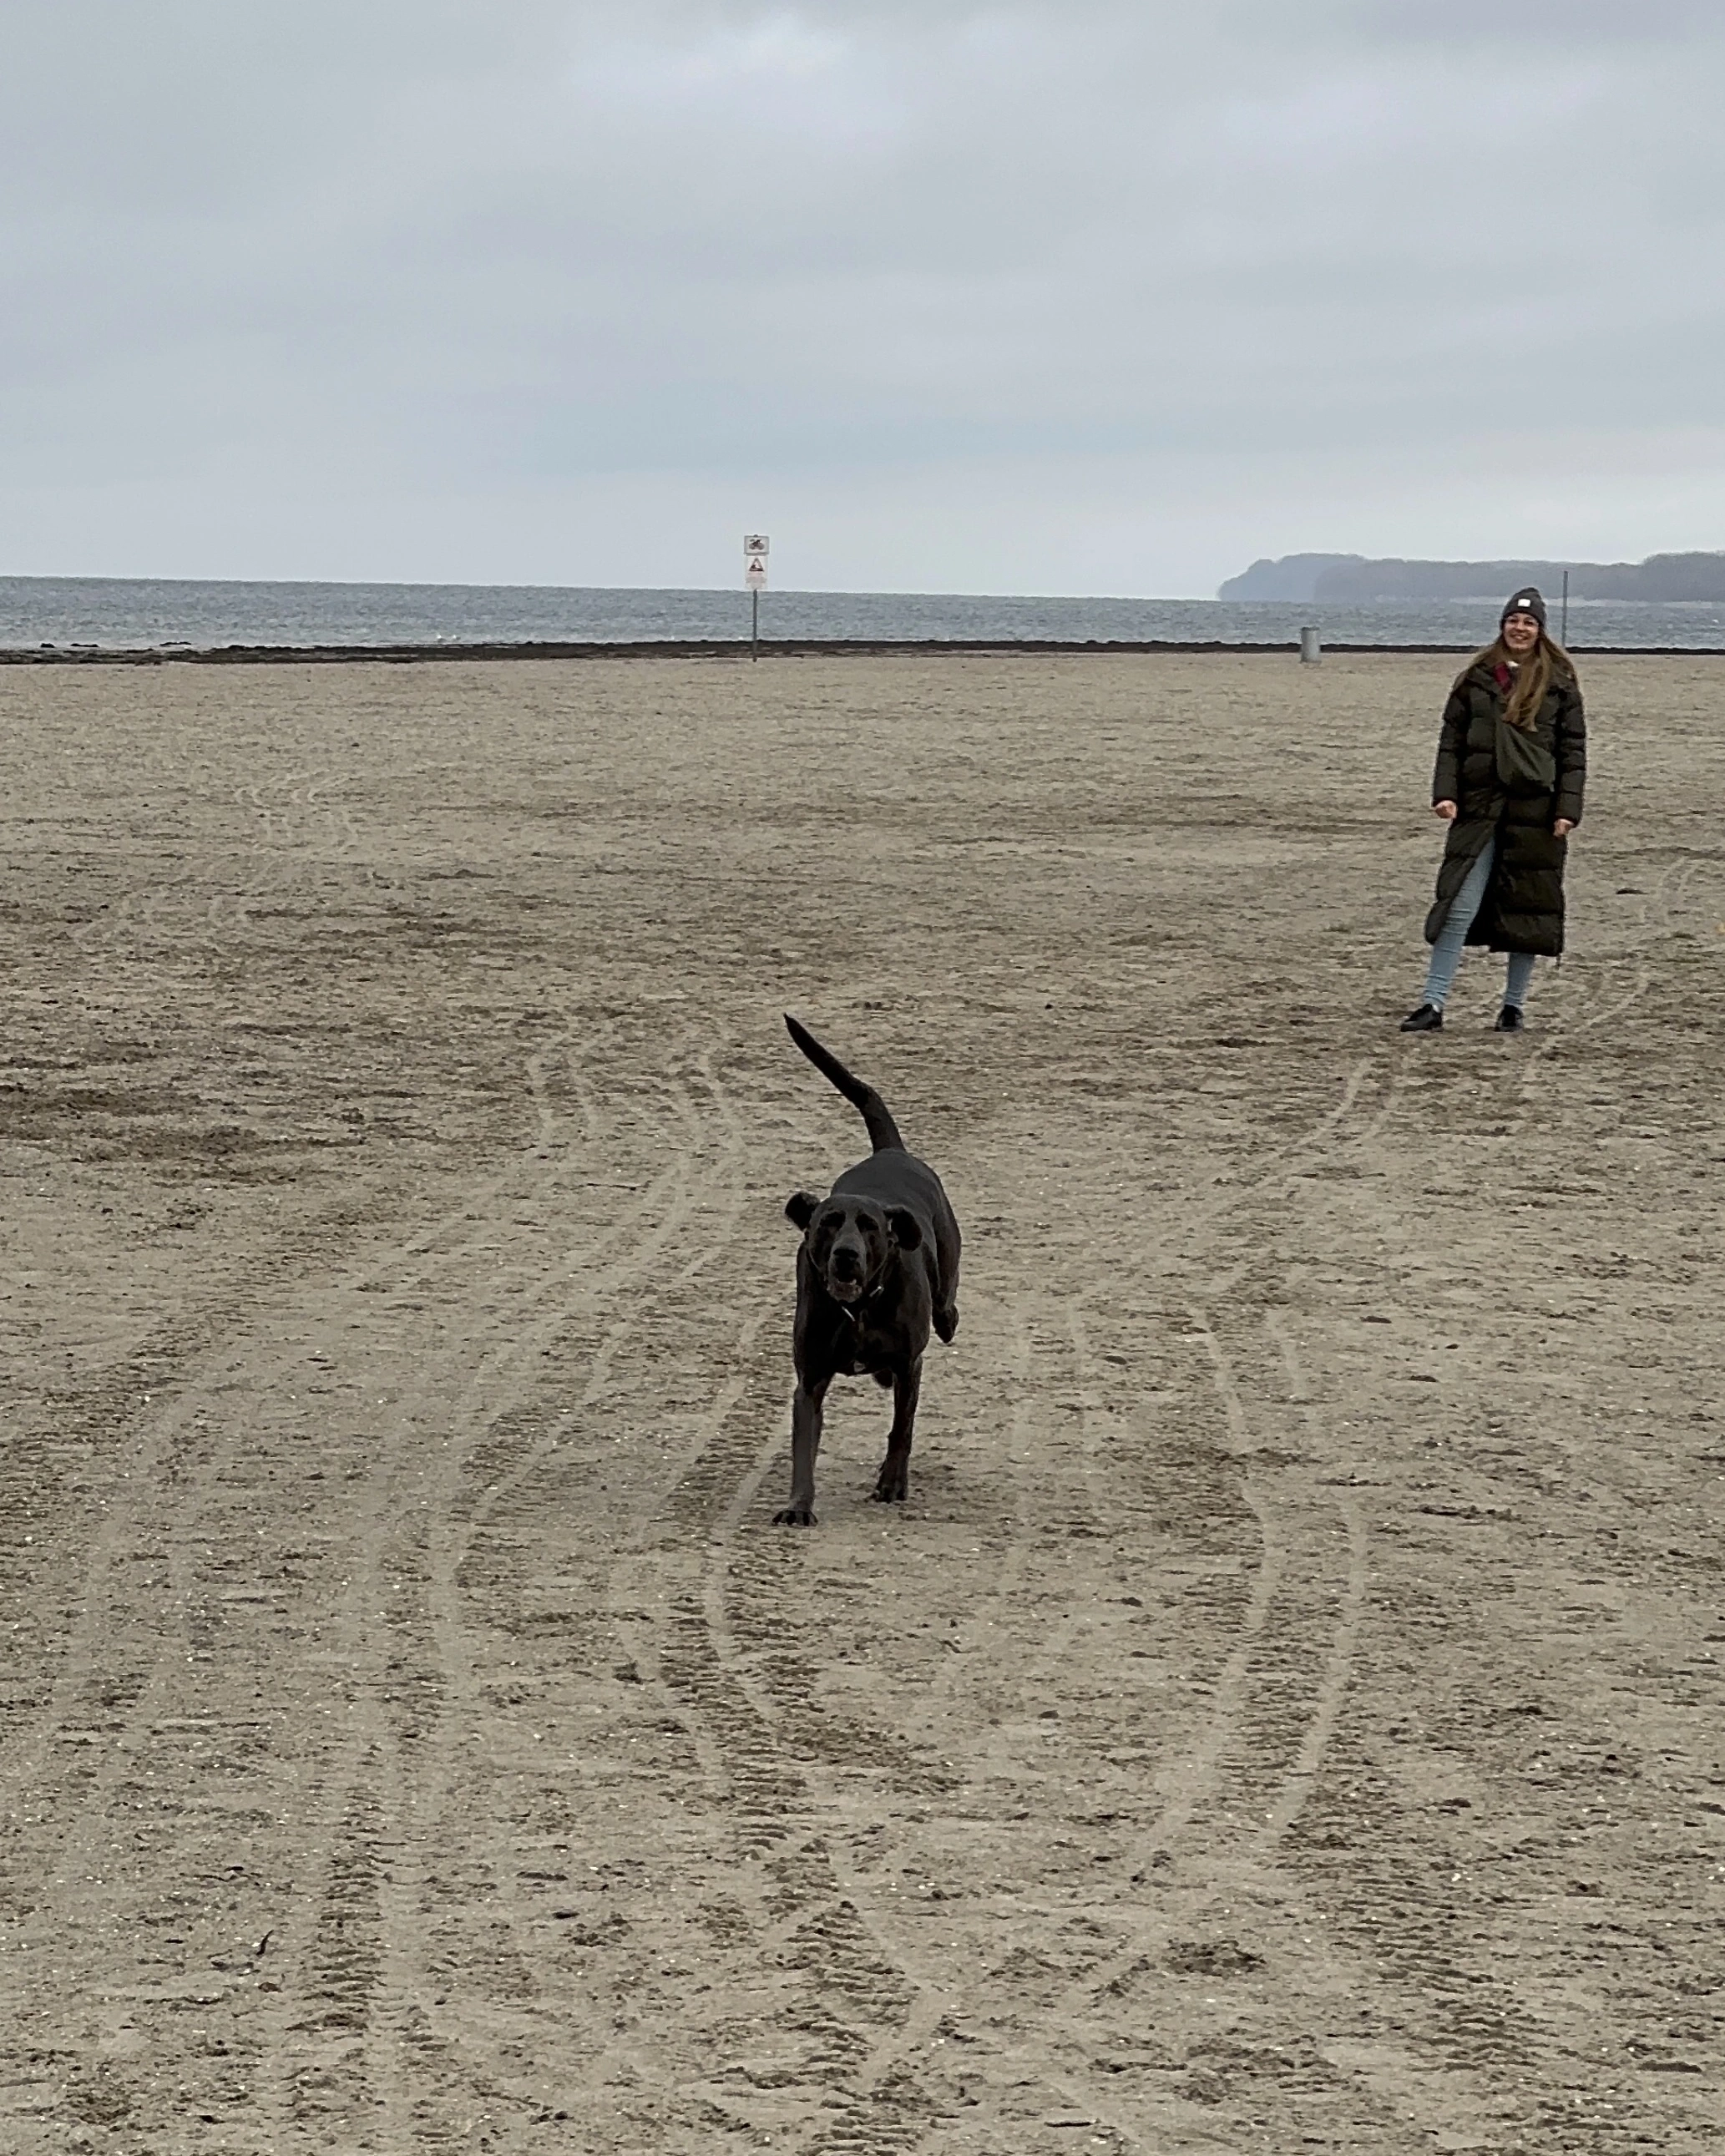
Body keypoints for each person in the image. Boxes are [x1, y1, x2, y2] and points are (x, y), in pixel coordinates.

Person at [1400, 586, 1586, 1033]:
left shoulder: (1560, 682)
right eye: (1513, 621)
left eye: (1529, 623)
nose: (1519, 629)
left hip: (1537, 811)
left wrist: (1568, 809)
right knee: (1458, 906)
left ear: (1540, 630)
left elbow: (1572, 752)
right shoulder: (1475, 678)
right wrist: (1444, 793)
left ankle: (1512, 1008)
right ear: (1502, 625)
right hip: (1480, 805)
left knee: (1528, 909)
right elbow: (1452, 741)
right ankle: (1433, 1004)